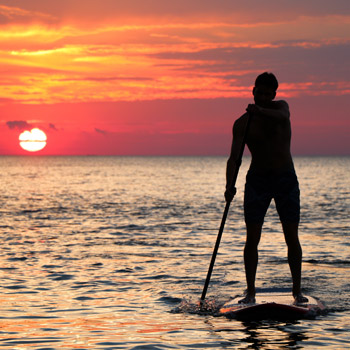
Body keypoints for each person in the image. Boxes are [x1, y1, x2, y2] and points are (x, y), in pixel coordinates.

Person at [225, 72, 308, 304]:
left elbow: (282, 116)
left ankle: (297, 292)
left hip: (285, 179)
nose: (261, 97)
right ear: (252, 92)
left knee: (291, 235)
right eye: (257, 92)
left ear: (273, 94)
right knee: (252, 237)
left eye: (265, 93)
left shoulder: (281, 109)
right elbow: (234, 159)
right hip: (258, 181)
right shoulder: (242, 124)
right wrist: (229, 185)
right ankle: (250, 292)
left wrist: (259, 111)